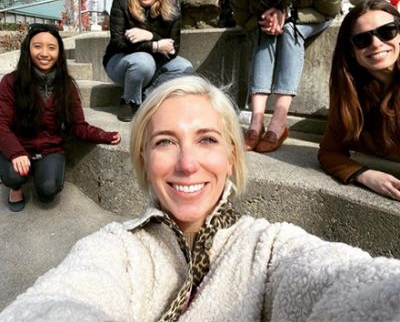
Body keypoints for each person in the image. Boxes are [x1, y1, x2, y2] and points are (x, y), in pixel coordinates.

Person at [2, 75, 400, 321]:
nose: (187, 164)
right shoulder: (114, 250)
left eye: (206, 139)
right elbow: (62, 299)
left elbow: (346, 285)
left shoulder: (270, 248)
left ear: (231, 153)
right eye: (165, 142)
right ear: (144, 156)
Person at [230, 0, 342, 152]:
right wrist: (265, 19)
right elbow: (244, 20)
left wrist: (289, 14)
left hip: (315, 14)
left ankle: (279, 122)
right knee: (264, 29)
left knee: (290, 30)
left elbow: (330, 10)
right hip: (272, 17)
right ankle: (256, 122)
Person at [0, 24, 121, 212]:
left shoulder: (67, 85)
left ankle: (37, 170)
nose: (44, 53)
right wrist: (15, 152)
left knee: (48, 190)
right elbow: (1, 125)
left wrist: (103, 135)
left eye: (51, 47)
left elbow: (77, 125)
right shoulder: (10, 82)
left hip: (49, 148)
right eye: (37, 46)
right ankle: (16, 186)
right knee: (14, 176)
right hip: (19, 144)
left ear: (59, 52)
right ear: (27, 49)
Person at [318, 0, 400, 201]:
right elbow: (329, 152)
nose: (376, 43)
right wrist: (365, 175)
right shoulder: (350, 94)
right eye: (362, 39)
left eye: (387, 31)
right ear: (352, 52)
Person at [103, 0, 193, 122]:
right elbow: (118, 42)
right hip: (120, 61)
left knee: (184, 67)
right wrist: (156, 45)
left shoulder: (172, 8)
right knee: (143, 61)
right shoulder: (121, 0)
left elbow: (173, 49)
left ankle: (147, 96)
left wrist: (150, 35)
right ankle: (129, 101)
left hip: (154, 63)